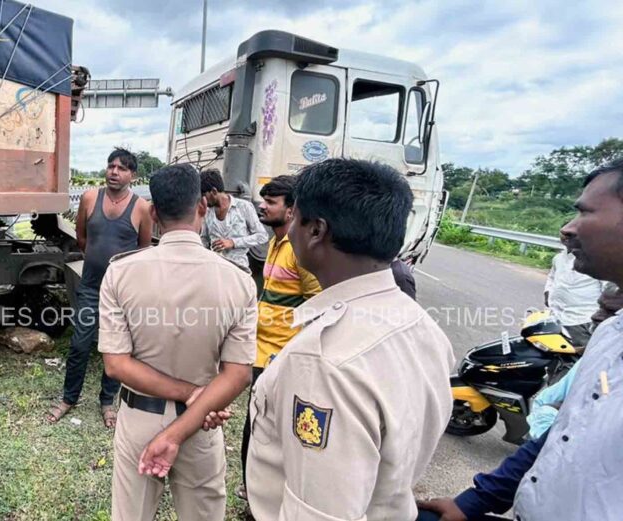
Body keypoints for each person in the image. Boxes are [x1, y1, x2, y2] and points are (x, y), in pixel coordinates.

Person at [245, 158, 455, 521]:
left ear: (316, 231)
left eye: (297, 216)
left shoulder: (323, 359)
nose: (290, 225)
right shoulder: (420, 326)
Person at [417, 158, 623, 521]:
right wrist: (475, 502)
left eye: (584, 212)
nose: (568, 229)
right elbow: (564, 433)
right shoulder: (610, 333)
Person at [100, 165, 257, 520]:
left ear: (153, 213)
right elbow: (238, 375)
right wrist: (195, 396)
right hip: (201, 423)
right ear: (202, 206)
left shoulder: (121, 272)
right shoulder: (239, 282)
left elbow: (116, 365)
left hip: (141, 418)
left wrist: (190, 394)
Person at [46, 147, 153, 428]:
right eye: (111, 166)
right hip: (92, 287)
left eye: (122, 168)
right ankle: (69, 399)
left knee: (117, 350)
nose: (114, 172)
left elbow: (143, 250)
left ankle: (108, 401)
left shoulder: (141, 207)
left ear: (133, 175)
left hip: (122, 293)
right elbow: (81, 237)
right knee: (80, 345)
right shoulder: (90, 198)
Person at [238, 174, 321, 500]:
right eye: (264, 199)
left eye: (271, 202)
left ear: (291, 210)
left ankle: (262, 492)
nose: (262, 205)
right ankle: (251, 487)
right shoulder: (275, 242)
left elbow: (317, 306)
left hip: (280, 355)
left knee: (263, 427)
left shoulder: (300, 252)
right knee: (256, 423)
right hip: (260, 349)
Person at [544, 230, 606, 346]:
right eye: (564, 233)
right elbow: (552, 277)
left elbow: (608, 289)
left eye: (571, 234)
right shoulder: (558, 258)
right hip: (555, 317)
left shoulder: (596, 261)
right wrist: (547, 291)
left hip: (582, 320)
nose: (566, 237)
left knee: (580, 357)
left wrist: (600, 318)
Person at [200, 168, 268, 273]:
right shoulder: (208, 212)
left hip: (239, 270)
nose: (202, 200)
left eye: (204, 196)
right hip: (216, 270)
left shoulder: (243, 207)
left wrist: (233, 242)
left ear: (213, 191)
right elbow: (204, 239)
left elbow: (262, 236)